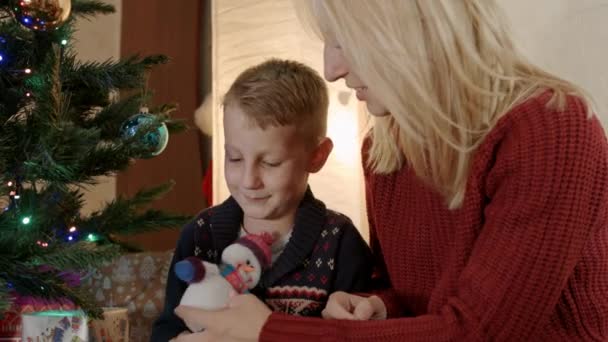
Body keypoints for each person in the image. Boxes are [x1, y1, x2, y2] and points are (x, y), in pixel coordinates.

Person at [173, 0, 608, 341]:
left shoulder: (551, 128)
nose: (332, 69)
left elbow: (481, 332)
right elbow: (410, 297)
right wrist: (377, 306)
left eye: (344, 41)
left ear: (406, 33)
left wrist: (269, 331)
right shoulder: (384, 150)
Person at [151, 58, 373, 341]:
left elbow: (362, 331)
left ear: (317, 156)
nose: (248, 180)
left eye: (270, 162)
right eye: (235, 158)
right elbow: (166, 328)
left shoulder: (340, 242)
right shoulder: (199, 235)